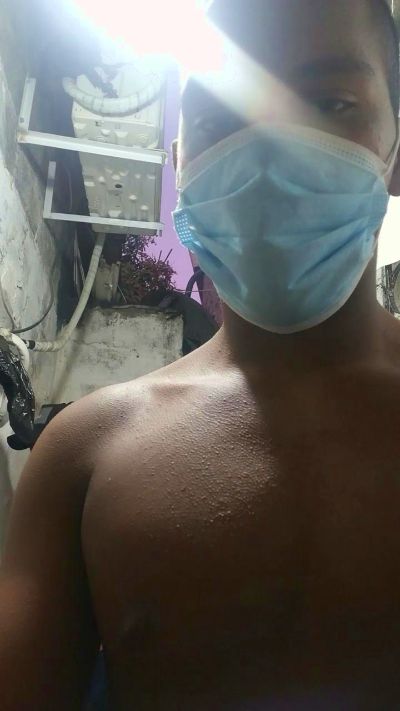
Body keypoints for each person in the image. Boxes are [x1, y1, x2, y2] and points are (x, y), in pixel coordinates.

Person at [2, 0, 400, 708]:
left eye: (330, 102)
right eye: (219, 118)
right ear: (181, 163)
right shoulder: (82, 458)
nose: (271, 150)